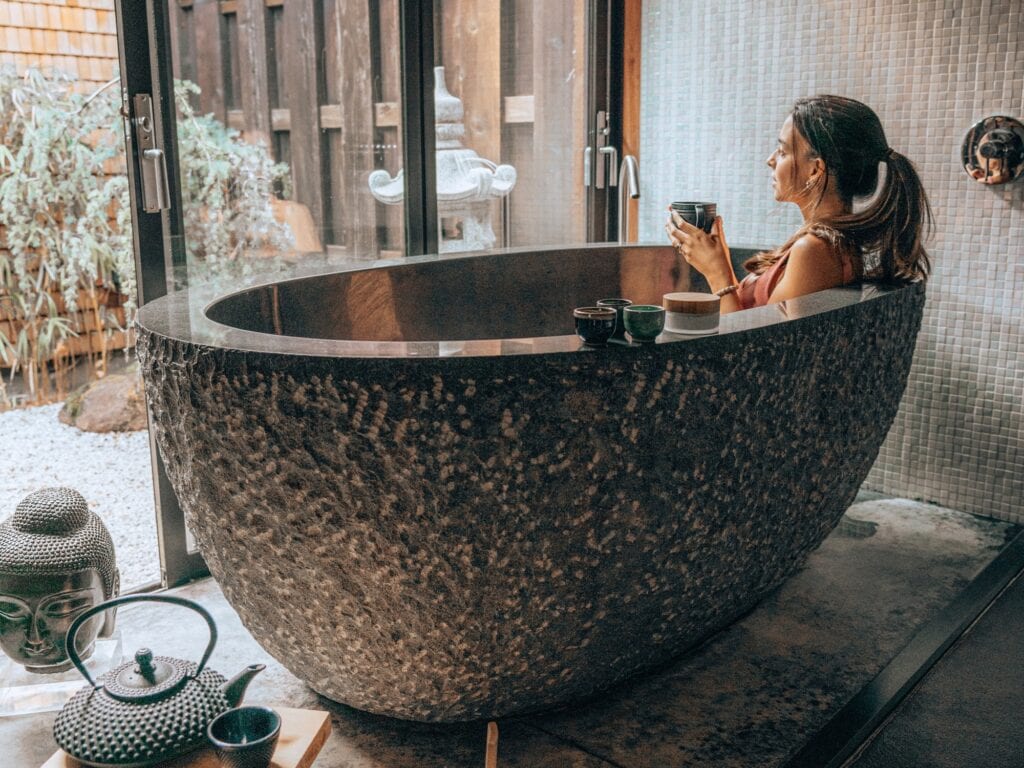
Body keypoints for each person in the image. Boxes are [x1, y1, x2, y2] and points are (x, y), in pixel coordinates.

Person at [665, 95, 933, 313]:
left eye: (782, 151)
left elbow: (758, 351)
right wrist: (718, 256)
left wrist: (718, 273)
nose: (770, 160)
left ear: (816, 169)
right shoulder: (824, 243)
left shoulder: (816, 251)